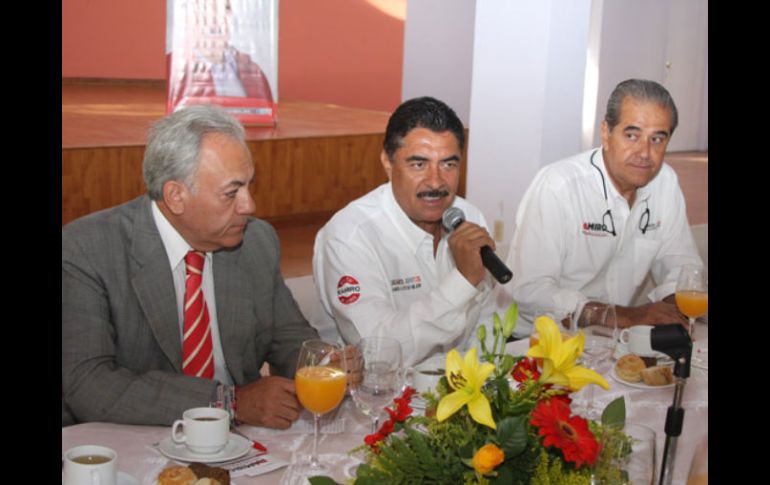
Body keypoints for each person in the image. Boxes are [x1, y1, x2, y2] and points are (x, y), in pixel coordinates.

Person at [62, 105, 320, 429]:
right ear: (176, 196)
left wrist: (323, 366)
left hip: (242, 443)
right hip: (128, 436)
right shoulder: (86, 249)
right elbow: (88, 383)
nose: (249, 205)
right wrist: (228, 403)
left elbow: (288, 337)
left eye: (249, 186)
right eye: (232, 192)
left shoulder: (256, 241)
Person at [503, 79, 703, 336]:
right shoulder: (559, 186)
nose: (644, 152)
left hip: (615, 341)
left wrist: (670, 307)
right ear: (606, 133)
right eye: (632, 135)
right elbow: (530, 291)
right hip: (532, 341)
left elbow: (682, 265)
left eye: (657, 139)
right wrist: (627, 315)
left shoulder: (665, 182)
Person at [313, 97, 497, 366]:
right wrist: (463, 281)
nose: (435, 181)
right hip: (376, 397)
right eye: (418, 164)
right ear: (387, 163)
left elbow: (487, 326)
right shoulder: (350, 235)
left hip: (463, 389)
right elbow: (376, 354)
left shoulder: (470, 218)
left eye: (448, 164)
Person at [168, 0, 274, 109]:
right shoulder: (174, 67)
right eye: (206, 9)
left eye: (225, 9)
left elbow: (267, 115)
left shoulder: (253, 71)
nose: (216, 20)